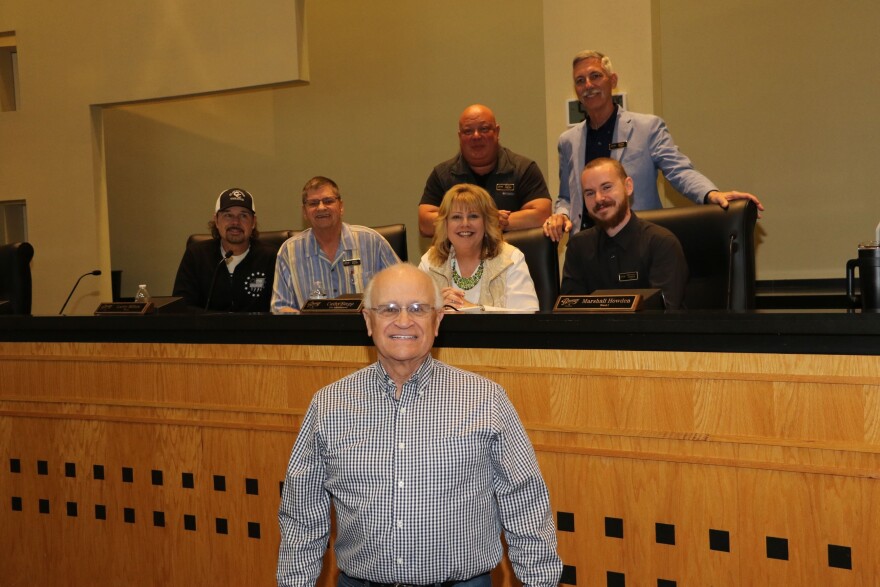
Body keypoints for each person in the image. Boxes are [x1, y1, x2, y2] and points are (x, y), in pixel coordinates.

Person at [277, 263, 562, 587]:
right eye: (388, 309)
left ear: (437, 320)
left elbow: (525, 504)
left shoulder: (487, 400)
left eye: (417, 309)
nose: (403, 321)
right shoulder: (328, 405)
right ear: (368, 321)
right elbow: (302, 516)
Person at [544, 50, 764, 241]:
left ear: (612, 81)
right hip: (587, 247)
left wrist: (711, 193)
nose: (588, 86)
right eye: (580, 80)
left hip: (639, 242)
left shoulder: (647, 128)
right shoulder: (567, 141)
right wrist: (561, 215)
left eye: (595, 76)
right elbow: (566, 197)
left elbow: (679, 171)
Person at [561, 158, 688, 309]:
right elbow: (570, 316)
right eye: (589, 193)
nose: (599, 198)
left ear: (628, 186)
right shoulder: (578, 247)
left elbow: (663, 317)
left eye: (606, 187)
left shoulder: (661, 244)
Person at [419, 104, 551, 237]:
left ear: (497, 132)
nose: (476, 136)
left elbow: (542, 214)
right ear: (460, 137)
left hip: (512, 255)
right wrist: (486, 220)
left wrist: (497, 222)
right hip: (458, 256)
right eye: (468, 131)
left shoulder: (523, 168)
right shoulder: (443, 174)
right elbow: (425, 224)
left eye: (484, 129)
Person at [271, 176, 399, 313]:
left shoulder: (372, 242)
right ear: (304, 212)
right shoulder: (289, 251)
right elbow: (280, 308)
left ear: (341, 207)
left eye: (328, 201)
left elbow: (403, 290)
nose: (321, 208)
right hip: (313, 333)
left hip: (365, 332)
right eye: (313, 203)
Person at [419, 184, 539, 312]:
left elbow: (528, 316)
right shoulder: (430, 261)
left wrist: (472, 309)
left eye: (473, 216)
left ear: (486, 222)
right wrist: (434, 309)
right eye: (456, 217)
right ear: (445, 224)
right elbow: (413, 311)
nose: (465, 224)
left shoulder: (510, 259)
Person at [172, 187, 276, 312]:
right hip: (208, 330)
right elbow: (182, 307)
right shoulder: (196, 255)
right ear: (216, 220)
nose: (235, 222)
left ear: (253, 222)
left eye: (243, 215)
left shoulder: (270, 257)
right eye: (228, 215)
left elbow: (278, 308)